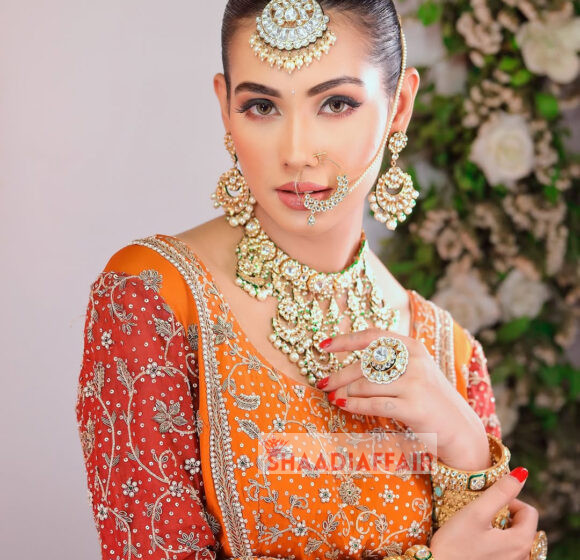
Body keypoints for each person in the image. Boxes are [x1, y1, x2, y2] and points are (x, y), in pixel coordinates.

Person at [75, 1, 548, 559]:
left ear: (399, 106)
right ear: (225, 108)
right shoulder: (151, 298)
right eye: (261, 106)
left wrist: (467, 449)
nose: (296, 152)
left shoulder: (450, 353)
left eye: (336, 103)